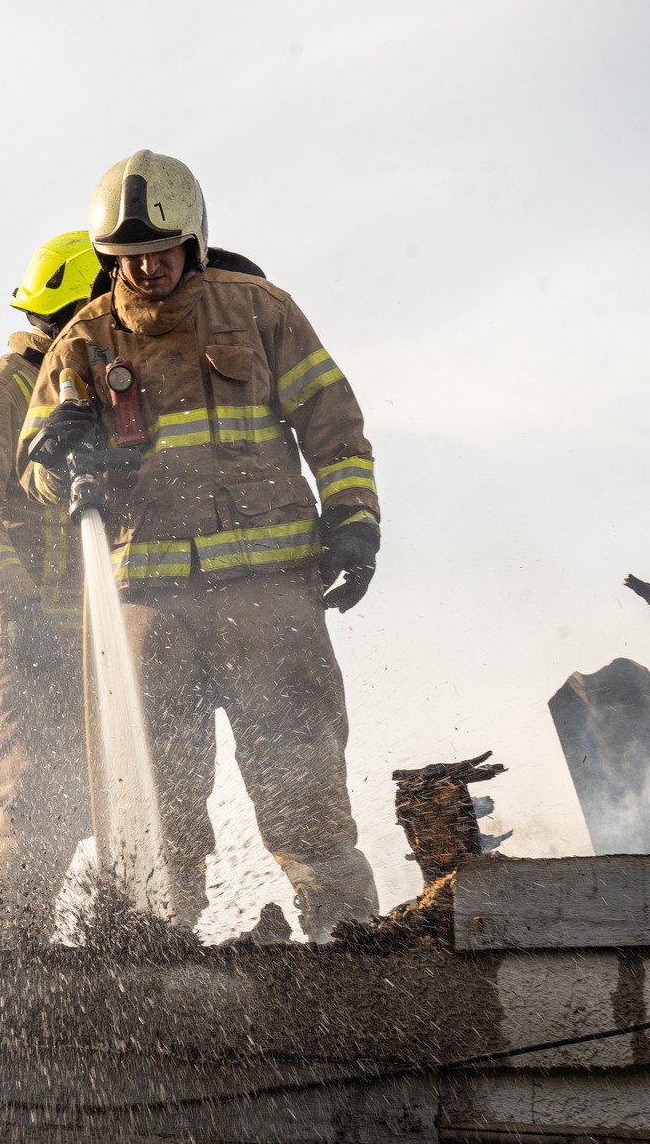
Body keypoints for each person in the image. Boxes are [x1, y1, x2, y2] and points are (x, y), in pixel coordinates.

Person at [21, 150, 381, 941]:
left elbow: (332, 419)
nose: (147, 269)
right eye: (128, 257)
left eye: (161, 251)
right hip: (150, 614)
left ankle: (349, 938)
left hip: (269, 598)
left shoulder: (259, 310)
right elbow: (36, 475)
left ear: (194, 240)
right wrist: (58, 450)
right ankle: (157, 944)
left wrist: (355, 518)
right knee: (153, 794)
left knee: (304, 778)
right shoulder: (81, 342)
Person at [0, 231, 99, 945]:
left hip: (87, 637)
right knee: (40, 795)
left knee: (103, 787)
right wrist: (19, 607)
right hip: (21, 629)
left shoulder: (88, 395)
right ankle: (2, 952)